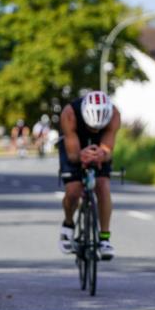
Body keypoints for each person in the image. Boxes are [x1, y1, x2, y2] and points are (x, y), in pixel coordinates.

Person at [58, 91, 121, 260]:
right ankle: (68, 224)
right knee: (73, 191)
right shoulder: (70, 113)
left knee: (103, 185)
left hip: (100, 144)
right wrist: (80, 156)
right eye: (92, 127)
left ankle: (105, 239)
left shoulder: (114, 114)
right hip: (74, 142)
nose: (95, 130)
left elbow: (108, 150)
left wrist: (102, 154)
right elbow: (72, 155)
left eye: (98, 127)